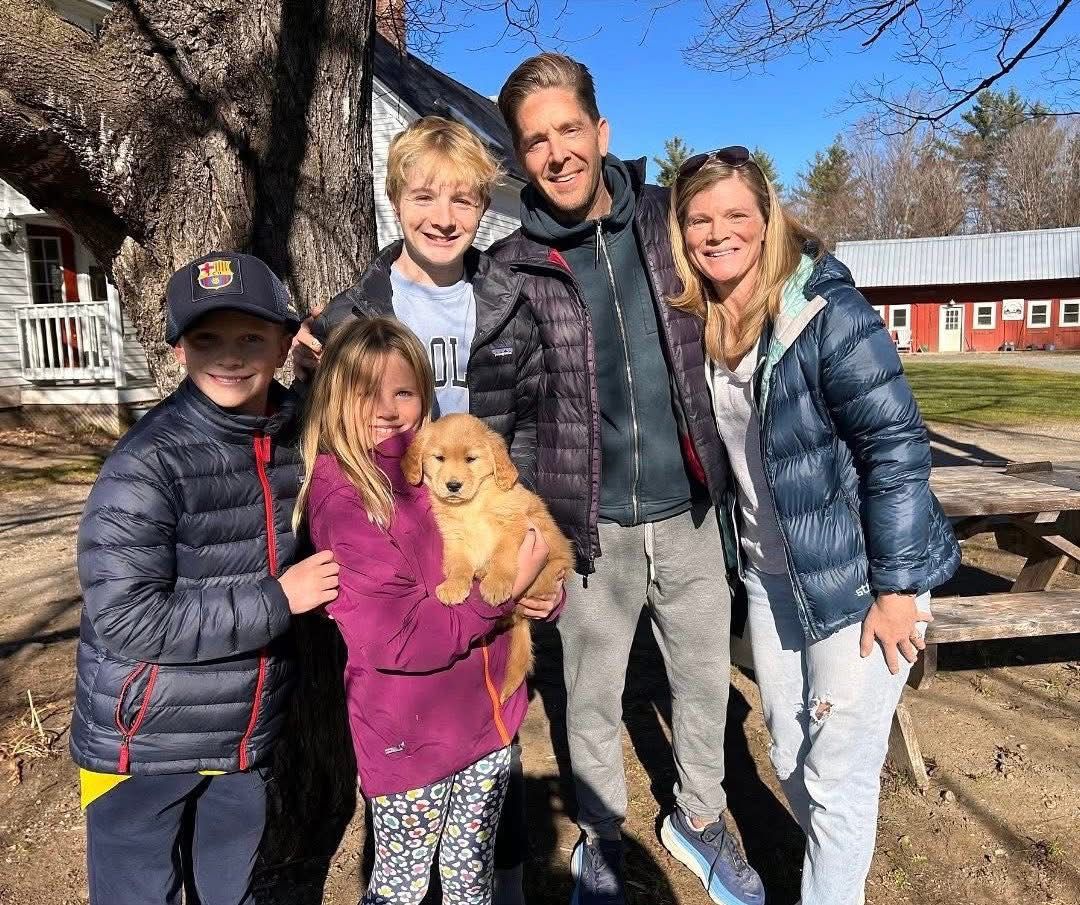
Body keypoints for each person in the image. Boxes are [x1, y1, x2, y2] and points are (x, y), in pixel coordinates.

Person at [489, 54, 763, 905]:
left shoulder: (664, 221)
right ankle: (601, 841)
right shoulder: (514, 266)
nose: (557, 152)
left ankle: (700, 816)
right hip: (590, 529)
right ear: (520, 158)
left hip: (687, 508)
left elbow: (760, 259)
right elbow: (508, 414)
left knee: (702, 680)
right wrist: (530, 534)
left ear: (601, 132)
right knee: (594, 698)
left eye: (569, 129)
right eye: (536, 141)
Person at [665, 145, 961, 905]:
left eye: (737, 214)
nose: (719, 232)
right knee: (794, 757)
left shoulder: (826, 312)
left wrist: (898, 588)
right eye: (700, 219)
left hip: (863, 582)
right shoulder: (703, 324)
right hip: (773, 578)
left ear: (768, 219)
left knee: (837, 776)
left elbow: (896, 447)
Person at [292, 115, 554, 903]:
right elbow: (320, 428)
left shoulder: (508, 299)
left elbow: (536, 429)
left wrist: (534, 549)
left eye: (464, 199)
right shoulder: (351, 314)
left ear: (483, 208)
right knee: (413, 770)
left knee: (493, 746)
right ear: (394, 198)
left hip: (491, 541)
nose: (443, 214)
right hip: (404, 565)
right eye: (424, 195)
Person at [71, 252, 341, 905]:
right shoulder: (146, 463)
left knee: (234, 891)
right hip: (144, 742)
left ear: (286, 341)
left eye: (251, 337)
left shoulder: (296, 431)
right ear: (180, 349)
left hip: (242, 735)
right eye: (206, 339)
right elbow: (128, 617)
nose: (229, 356)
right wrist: (280, 598)